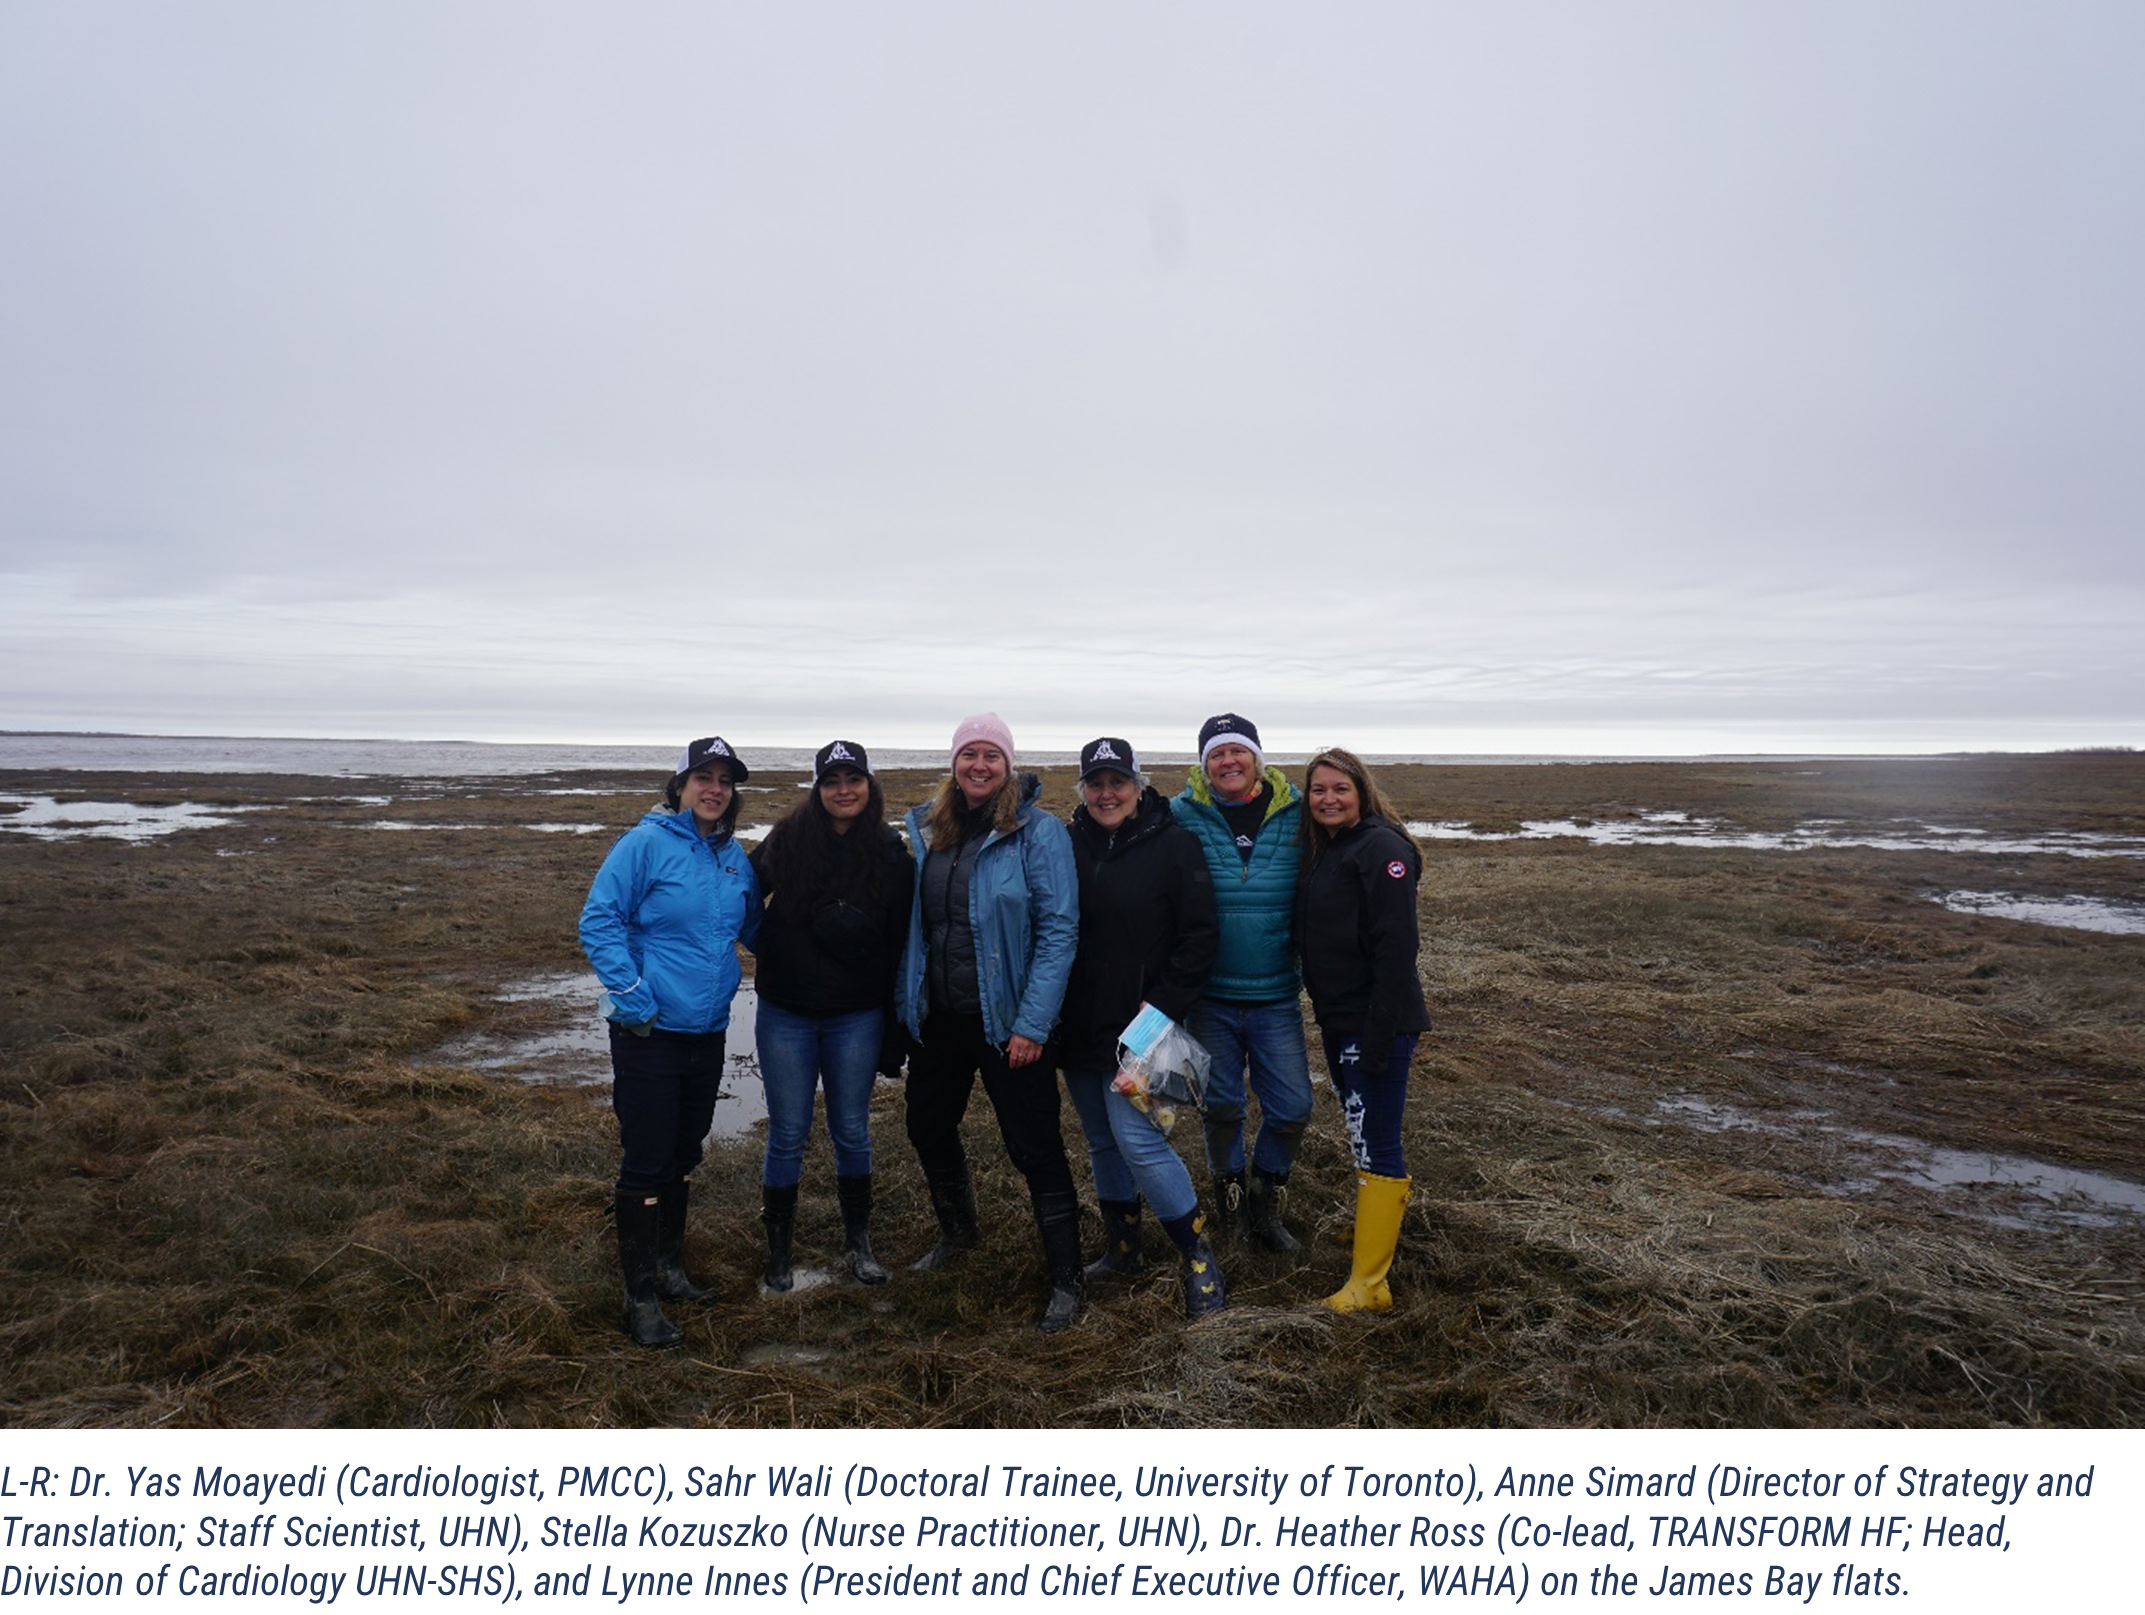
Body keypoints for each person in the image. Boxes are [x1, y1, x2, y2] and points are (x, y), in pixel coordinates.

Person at [895, 713, 1083, 1331]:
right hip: (942, 1017)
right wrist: (907, 1004)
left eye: (991, 756)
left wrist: (1033, 1023)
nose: (979, 765)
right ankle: (959, 1232)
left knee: (1034, 1147)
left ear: (1008, 765)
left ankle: (1066, 1280)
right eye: (969, 754)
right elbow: (920, 928)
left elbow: (1059, 931)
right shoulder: (929, 829)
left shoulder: (1038, 831)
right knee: (926, 1123)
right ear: (954, 763)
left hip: (1009, 1022)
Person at [579, 737, 762, 1348]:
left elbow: (759, 929)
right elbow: (599, 918)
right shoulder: (645, 844)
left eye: (725, 781)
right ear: (679, 786)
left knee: (685, 1152)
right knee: (648, 1159)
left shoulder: (734, 858)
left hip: (707, 1033)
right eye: (703, 778)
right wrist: (632, 995)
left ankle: (670, 1267)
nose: (715, 789)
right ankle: (640, 1297)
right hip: (650, 1033)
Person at [1057, 738, 1226, 1316]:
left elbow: (1199, 936)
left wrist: (1160, 1011)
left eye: (1117, 782)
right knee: (1102, 1140)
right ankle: (1122, 1247)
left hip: (1142, 1028)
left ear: (1138, 785)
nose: (1107, 794)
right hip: (1076, 1023)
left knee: (1138, 1138)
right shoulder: (1066, 843)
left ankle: (1197, 1253)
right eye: (1096, 783)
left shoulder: (1175, 844)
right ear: (1083, 789)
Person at [749, 740, 916, 1292]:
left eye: (854, 779)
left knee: (851, 1129)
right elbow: (741, 896)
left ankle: (859, 1244)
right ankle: (778, 1252)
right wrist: (766, 946)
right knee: (788, 1133)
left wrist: (897, 1026)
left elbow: (900, 944)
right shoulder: (787, 841)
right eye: (831, 781)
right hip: (786, 1013)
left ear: (870, 786)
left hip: (856, 1017)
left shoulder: (891, 855)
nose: (844, 790)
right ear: (817, 789)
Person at [1170, 713, 1313, 1252]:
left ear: (1257, 757)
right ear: (1203, 765)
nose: (1228, 761)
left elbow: (1355, 837)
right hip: (1207, 998)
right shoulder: (1180, 814)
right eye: (1216, 754)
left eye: (1237, 751)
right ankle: (1230, 1207)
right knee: (1222, 1107)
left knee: (1293, 1106)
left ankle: (1264, 1201)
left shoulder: (1297, 814)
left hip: (1275, 993)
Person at [1295, 747, 1431, 1312]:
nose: (1328, 799)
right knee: (1360, 1129)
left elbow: (1398, 948)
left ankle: (1370, 1283)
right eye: (1318, 790)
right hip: (1341, 1016)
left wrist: (1376, 1037)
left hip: (1376, 1021)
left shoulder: (1381, 849)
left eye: (1339, 789)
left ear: (1361, 792)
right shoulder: (1331, 849)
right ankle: (1372, 1233)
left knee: (1376, 1137)